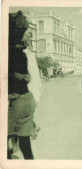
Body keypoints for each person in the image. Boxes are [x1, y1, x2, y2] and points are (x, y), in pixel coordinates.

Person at [8, 11, 42, 160]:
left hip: (19, 101)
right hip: (27, 99)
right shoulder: (24, 53)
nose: (28, 37)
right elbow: (34, 81)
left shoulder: (19, 54)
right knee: (24, 144)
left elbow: (32, 80)